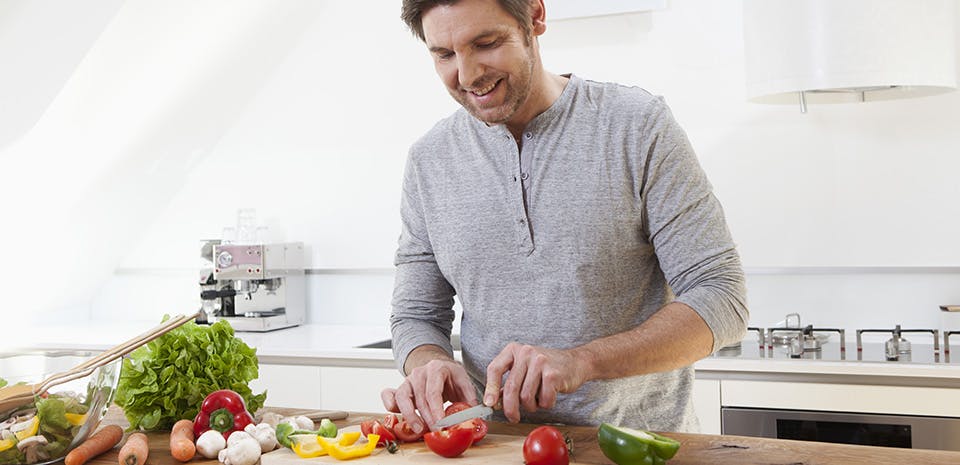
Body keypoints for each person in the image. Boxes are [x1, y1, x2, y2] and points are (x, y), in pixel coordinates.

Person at [382, 0, 748, 434]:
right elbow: (415, 316)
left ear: (535, 17)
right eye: (443, 54)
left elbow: (722, 298)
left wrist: (582, 362)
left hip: (635, 447)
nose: (466, 75)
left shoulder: (636, 127)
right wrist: (429, 362)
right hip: (496, 446)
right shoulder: (430, 160)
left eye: (486, 43)